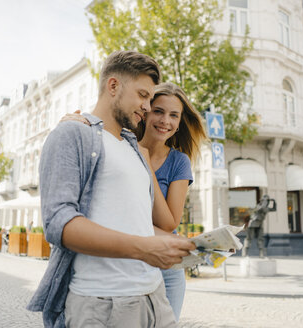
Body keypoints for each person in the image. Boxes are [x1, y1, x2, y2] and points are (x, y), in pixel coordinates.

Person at [26, 50, 195, 328]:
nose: (147, 106)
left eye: (150, 99)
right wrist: (143, 249)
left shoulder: (134, 148)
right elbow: (58, 223)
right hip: (103, 303)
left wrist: (180, 245)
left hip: (155, 297)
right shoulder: (72, 133)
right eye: (142, 95)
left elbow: (137, 221)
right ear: (113, 86)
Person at [61, 82, 207, 321]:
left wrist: (146, 163)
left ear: (180, 122)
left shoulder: (178, 162)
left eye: (174, 115)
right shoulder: (119, 144)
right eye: (158, 111)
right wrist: (77, 124)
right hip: (121, 263)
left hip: (166, 272)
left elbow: (168, 223)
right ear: (146, 109)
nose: (165, 121)